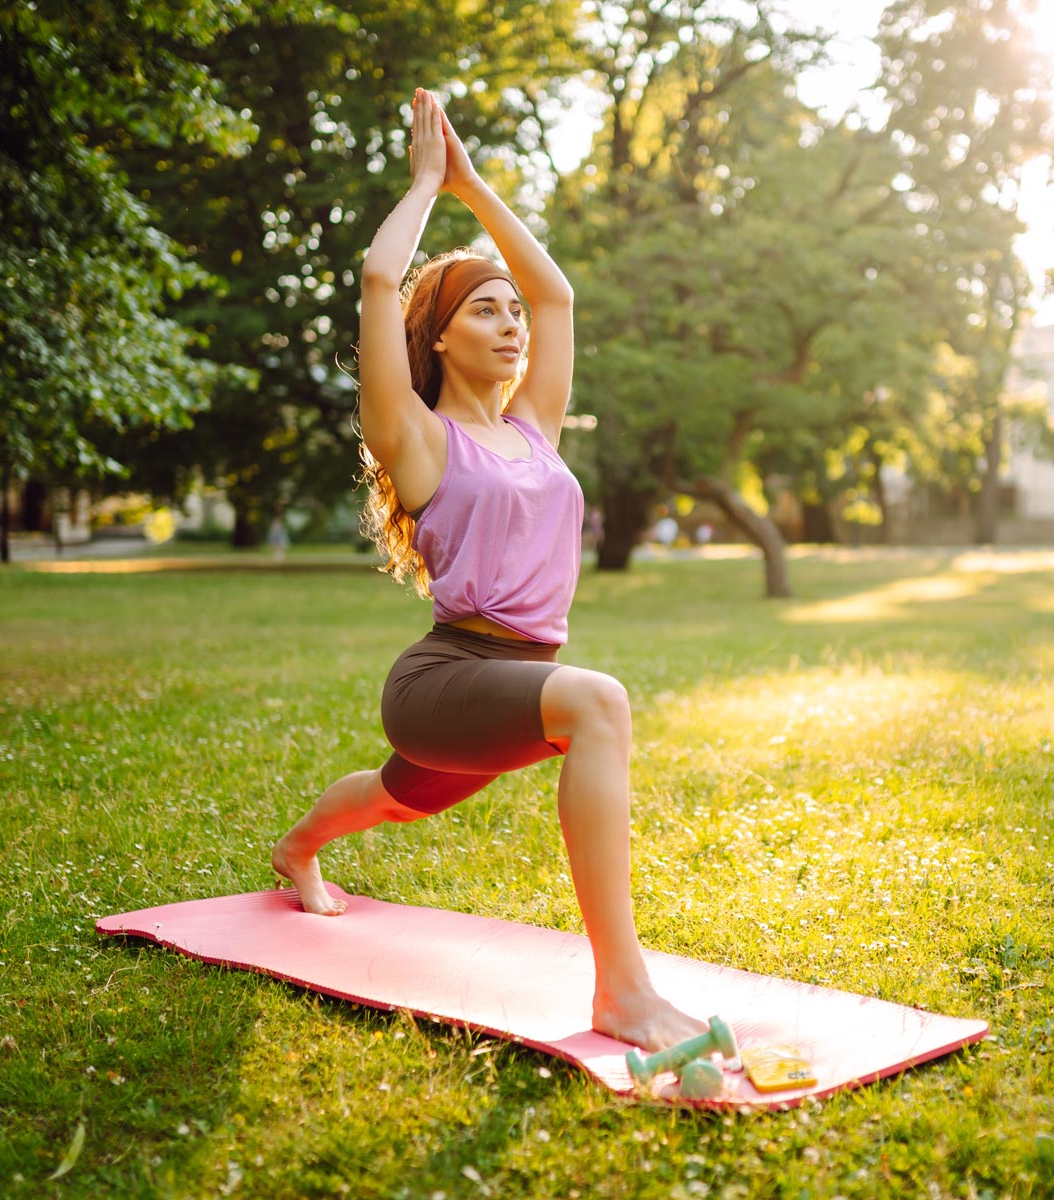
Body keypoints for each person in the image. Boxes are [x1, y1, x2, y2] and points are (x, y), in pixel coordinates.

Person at [272, 88, 704, 1052]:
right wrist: (427, 185)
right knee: (599, 703)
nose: (515, 324)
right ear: (440, 337)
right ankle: (622, 993)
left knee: (394, 796)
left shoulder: (532, 431)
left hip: (503, 681)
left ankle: (296, 849)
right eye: (486, 310)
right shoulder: (417, 441)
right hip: (447, 676)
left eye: (512, 313)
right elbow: (380, 284)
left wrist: (475, 190)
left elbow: (559, 295)